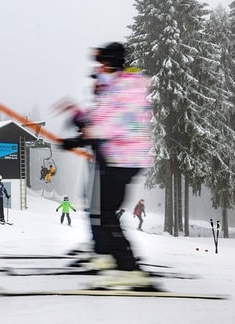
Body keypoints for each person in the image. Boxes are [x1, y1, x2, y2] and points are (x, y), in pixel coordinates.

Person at [59, 42, 154, 290]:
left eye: (102, 62)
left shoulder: (127, 87)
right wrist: (78, 118)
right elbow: (99, 119)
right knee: (103, 210)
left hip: (123, 158)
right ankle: (109, 255)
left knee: (107, 212)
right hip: (115, 156)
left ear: (112, 62)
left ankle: (128, 268)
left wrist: (82, 136)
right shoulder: (113, 86)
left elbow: (116, 125)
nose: (98, 67)